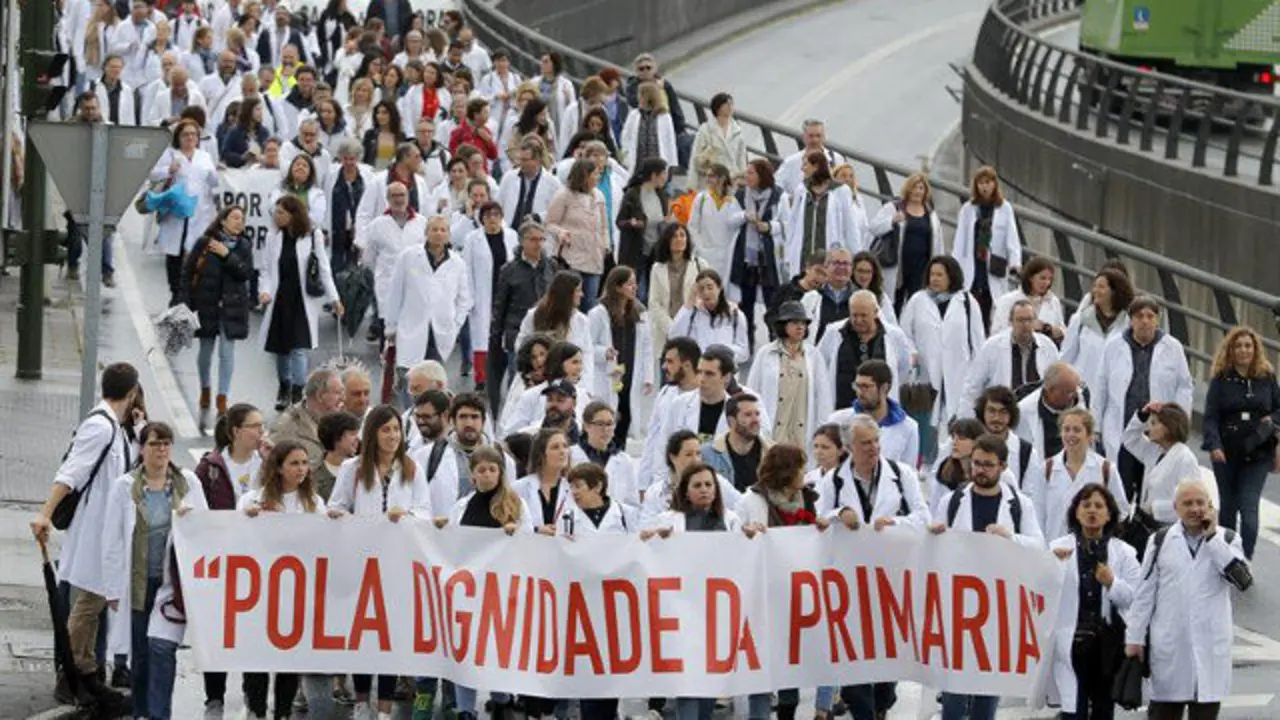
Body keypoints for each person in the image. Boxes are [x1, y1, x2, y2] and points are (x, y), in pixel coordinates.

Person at [30, 363, 138, 704]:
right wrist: (45, 513)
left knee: (95, 601)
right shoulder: (100, 426)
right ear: (132, 392)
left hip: (105, 529)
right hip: (94, 530)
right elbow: (71, 472)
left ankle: (86, 672)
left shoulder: (114, 427)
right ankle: (71, 676)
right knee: (89, 602)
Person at [931, 434, 1043, 719]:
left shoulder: (1019, 505)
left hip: (997, 610)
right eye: (976, 464)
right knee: (954, 692)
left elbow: (1038, 547)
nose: (980, 470)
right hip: (958, 607)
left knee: (987, 689)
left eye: (988, 465)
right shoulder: (952, 501)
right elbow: (932, 548)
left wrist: (1010, 537)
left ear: (1002, 467)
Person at [98, 420, 203, 720]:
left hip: (173, 585)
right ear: (142, 448)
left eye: (167, 443)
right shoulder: (125, 487)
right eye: (155, 443)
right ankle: (141, 713)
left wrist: (188, 518)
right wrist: (111, 589)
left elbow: (205, 529)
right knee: (141, 654)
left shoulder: (188, 483)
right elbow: (112, 539)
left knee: (162, 650)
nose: (162, 449)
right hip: (139, 582)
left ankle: (159, 715)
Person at [1125, 476, 1252, 720]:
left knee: (1204, 709)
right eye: (1187, 503)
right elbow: (1144, 594)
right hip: (1171, 647)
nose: (1195, 509)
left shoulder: (1227, 540)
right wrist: (1135, 639)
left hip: (1209, 647)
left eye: (1200, 503)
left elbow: (1242, 581)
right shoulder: (1159, 541)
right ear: (1176, 508)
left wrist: (1213, 539)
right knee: (1163, 712)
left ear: (1210, 506)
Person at [237, 441, 328, 718]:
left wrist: (334, 524)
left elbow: (324, 543)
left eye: (304, 463)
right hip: (260, 591)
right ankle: (256, 710)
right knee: (257, 655)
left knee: (289, 657)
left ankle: (283, 712)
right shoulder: (252, 499)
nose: (301, 469)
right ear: (278, 467)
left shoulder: (313, 502)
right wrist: (246, 519)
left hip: (296, 592)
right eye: (294, 463)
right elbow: (234, 540)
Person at [1043, 484, 1141, 720]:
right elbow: (1041, 592)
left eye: (1099, 506)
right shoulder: (1058, 548)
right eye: (1086, 505)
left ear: (1109, 514)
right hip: (1070, 642)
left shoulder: (1125, 552)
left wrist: (1112, 583)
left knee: (1103, 711)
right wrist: (1051, 566)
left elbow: (1135, 599)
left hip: (1105, 645)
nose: (1092, 511)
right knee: (1072, 711)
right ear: (1076, 512)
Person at [1097, 296, 1194, 502]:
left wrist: (1180, 423)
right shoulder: (1114, 346)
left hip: (1158, 433)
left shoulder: (1172, 347)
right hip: (1122, 428)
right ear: (1130, 320)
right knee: (1120, 491)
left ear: (1157, 320)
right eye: (1139, 316)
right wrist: (1096, 426)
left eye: (1150, 316)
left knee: (1151, 487)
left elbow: (1184, 386)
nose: (1145, 321)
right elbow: (1102, 387)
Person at [1203, 325, 1280, 559]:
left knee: (1248, 507)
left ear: (1255, 349)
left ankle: (1245, 557)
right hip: (1226, 452)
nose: (1243, 350)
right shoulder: (1221, 380)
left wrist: (1271, 420)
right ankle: (1227, 557)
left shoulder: (1266, 377)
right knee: (1227, 508)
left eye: (1248, 345)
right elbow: (1210, 417)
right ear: (1230, 350)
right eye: (1238, 346)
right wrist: (1214, 445)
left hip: (1258, 452)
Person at [259, 195, 342, 411]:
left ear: (293, 215)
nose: (276, 217)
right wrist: (264, 292)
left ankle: (298, 392)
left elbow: (324, 269)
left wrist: (335, 299)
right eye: (275, 213)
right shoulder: (272, 237)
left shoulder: (312, 236)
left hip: (302, 301)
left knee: (299, 348)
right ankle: (284, 386)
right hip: (279, 300)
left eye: (281, 213)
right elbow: (266, 270)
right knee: (281, 349)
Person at [181, 205, 254, 432]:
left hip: (231, 307)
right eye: (234, 218)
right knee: (205, 351)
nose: (238, 222)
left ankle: (222, 397)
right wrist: (183, 301)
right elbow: (188, 271)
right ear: (222, 221)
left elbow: (245, 272)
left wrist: (227, 255)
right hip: (207, 305)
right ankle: (205, 388)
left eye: (241, 219)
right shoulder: (205, 243)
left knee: (227, 353)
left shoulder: (243, 246)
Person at [899, 256, 985, 433]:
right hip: (926, 375)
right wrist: (912, 352)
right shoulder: (917, 300)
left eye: (940, 275)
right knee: (928, 427)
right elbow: (904, 334)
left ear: (951, 276)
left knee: (956, 425)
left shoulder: (967, 302)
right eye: (932, 274)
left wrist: (977, 376)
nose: (935, 279)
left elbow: (978, 342)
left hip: (959, 373)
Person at [1023, 408, 1130, 541]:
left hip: (1094, 547)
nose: (1070, 435)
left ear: (1090, 436)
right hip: (1054, 549)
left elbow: (1121, 510)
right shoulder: (1046, 469)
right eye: (1066, 429)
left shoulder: (1106, 469)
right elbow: (1037, 513)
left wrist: (1099, 529)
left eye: (1077, 430)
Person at [385, 214, 475, 371]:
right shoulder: (408, 256)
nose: (438, 233)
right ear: (426, 232)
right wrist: (391, 325)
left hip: (441, 330)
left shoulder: (457, 263)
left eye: (443, 230)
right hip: (411, 327)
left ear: (448, 235)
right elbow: (395, 293)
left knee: (433, 382)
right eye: (434, 229)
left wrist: (456, 324)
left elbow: (464, 299)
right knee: (408, 379)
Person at [150, 118, 220, 306]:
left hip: (199, 215)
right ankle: (175, 292)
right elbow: (153, 173)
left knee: (196, 255)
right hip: (175, 215)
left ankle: (189, 294)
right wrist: (168, 170)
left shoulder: (204, 156)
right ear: (178, 137)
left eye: (193, 134)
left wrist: (216, 174)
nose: (190, 138)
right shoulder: (171, 154)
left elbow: (214, 182)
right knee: (175, 255)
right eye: (185, 134)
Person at [747, 301, 833, 450]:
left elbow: (823, 396)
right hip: (773, 430)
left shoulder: (813, 355)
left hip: (802, 431)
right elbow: (752, 391)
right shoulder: (765, 353)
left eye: (803, 323)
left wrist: (823, 429)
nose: (800, 327)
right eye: (794, 322)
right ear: (783, 325)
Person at [491, 221, 558, 410]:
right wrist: (497, 335)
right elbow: (500, 305)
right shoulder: (509, 270)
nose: (538, 244)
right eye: (533, 239)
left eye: (541, 239)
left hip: (546, 334)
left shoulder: (551, 266)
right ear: (522, 242)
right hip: (517, 333)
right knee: (519, 381)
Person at [587, 266, 654, 441]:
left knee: (625, 417)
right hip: (606, 376)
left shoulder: (640, 314)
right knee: (606, 419)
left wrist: (648, 377)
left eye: (635, 284)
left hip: (631, 376)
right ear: (617, 287)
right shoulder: (598, 313)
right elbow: (586, 347)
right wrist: (604, 353)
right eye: (629, 284)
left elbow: (647, 348)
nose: (635, 287)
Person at [817, 290, 913, 407]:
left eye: (863, 315)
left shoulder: (895, 336)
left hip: (880, 412)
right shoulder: (833, 332)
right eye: (854, 315)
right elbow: (819, 366)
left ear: (876, 312)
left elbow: (904, 369)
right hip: (841, 409)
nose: (858, 320)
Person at [357, 181, 427, 342]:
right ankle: (387, 363)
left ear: (408, 197)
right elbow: (369, 258)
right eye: (394, 195)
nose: (398, 199)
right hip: (387, 283)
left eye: (402, 195)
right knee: (388, 331)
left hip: (415, 283)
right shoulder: (377, 225)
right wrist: (384, 272)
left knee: (411, 332)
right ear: (387, 199)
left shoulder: (422, 223)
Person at [960, 299, 1061, 410]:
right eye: (1020, 320)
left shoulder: (1048, 347)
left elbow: (1057, 382)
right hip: (1002, 411)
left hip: (1036, 411)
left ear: (1035, 321)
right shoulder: (991, 346)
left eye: (1029, 320)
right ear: (1011, 321)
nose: (1025, 325)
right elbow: (973, 387)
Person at [952, 166, 1021, 327]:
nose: (984, 187)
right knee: (973, 303)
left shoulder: (1004, 208)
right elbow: (960, 240)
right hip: (973, 263)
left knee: (994, 305)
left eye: (988, 182)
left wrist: (1015, 263)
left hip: (994, 264)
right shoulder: (968, 209)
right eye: (981, 183)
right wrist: (954, 267)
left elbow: (1012, 238)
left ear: (994, 185)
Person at [731, 158, 787, 349]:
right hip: (747, 257)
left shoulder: (778, 196)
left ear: (762, 175)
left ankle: (775, 338)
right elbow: (730, 220)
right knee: (745, 301)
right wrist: (744, 216)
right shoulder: (740, 195)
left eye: (751, 173)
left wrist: (769, 227)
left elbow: (786, 224)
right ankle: (746, 340)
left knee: (772, 300)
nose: (747, 177)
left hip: (768, 258)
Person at [463, 201, 519, 390]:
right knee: (481, 338)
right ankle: (481, 378)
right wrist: (468, 296)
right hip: (481, 294)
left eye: (496, 215)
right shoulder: (472, 239)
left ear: (501, 217)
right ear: (482, 219)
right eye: (488, 215)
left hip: (505, 295)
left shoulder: (511, 236)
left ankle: (501, 375)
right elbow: (467, 268)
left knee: (503, 336)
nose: (492, 219)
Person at [869, 173, 944, 312]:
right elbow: (873, 227)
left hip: (921, 268)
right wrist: (892, 221)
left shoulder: (931, 214)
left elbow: (938, 242)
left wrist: (939, 267)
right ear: (908, 189)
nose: (917, 191)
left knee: (916, 305)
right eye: (914, 187)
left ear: (925, 191)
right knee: (893, 304)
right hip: (898, 267)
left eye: (921, 188)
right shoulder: (894, 207)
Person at [782, 151, 863, 278]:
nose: (802, 169)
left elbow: (850, 226)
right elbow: (792, 224)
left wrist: (856, 255)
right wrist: (788, 253)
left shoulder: (840, 191)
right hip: (804, 254)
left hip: (829, 253)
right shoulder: (802, 190)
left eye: (806, 165)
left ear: (816, 166)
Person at [640, 430, 744, 528]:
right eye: (688, 455)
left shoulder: (715, 481)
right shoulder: (656, 492)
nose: (695, 460)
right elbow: (645, 528)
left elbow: (742, 506)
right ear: (673, 457)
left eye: (698, 454)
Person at [545, 159, 610, 308]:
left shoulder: (599, 196)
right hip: (571, 259)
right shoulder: (564, 195)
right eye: (595, 174)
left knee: (590, 304)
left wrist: (605, 245)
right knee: (570, 304)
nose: (598, 177)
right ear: (585, 175)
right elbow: (549, 223)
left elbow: (604, 226)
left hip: (594, 259)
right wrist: (561, 232)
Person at [637, 338, 703, 484]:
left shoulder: (705, 398)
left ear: (686, 365)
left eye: (670, 362)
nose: (664, 366)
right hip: (661, 480)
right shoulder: (666, 393)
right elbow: (652, 438)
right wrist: (643, 482)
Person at [831, 360, 919, 468]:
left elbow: (909, 471)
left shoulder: (908, 427)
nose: (859, 392)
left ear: (884, 388)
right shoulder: (838, 421)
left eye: (866, 386)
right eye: (857, 386)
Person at [515, 270, 595, 389]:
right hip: (535, 383)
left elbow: (587, 355)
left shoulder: (581, 321)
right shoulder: (534, 315)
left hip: (571, 385)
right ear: (566, 293)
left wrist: (586, 386)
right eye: (578, 290)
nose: (582, 294)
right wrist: (531, 369)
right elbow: (521, 346)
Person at [1062, 267, 1133, 398]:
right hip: (1081, 393)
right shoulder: (1080, 321)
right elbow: (1066, 358)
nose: (1095, 291)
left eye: (1101, 287)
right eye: (1094, 286)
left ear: (1115, 291)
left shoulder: (1129, 325)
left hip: (1114, 395)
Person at [669, 269, 749, 364]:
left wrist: (720, 352)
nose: (706, 292)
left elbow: (744, 353)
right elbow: (673, 336)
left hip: (725, 373)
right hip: (698, 373)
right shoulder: (692, 314)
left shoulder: (735, 315)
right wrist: (689, 303)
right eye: (701, 289)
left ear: (719, 288)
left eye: (710, 287)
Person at [569, 402, 641, 508]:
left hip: (614, 520)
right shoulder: (571, 455)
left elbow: (632, 502)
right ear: (586, 426)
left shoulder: (624, 460)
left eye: (609, 424)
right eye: (600, 424)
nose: (605, 429)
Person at [271, 368, 346, 469]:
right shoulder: (287, 430)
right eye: (338, 393)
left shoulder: (338, 420)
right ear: (320, 396)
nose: (343, 398)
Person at [1016, 361, 1090, 461]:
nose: (1073, 397)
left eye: (1074, 391)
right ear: (1049, 390)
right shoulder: (1023, 409)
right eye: (1067, 392)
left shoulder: (1082, 396)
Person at [616, 157, 669, 297]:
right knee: (638, 291)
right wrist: (631, 223)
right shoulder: (633, 194)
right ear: (653, 175)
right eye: (663, 173)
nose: (665, 177)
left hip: (655, 251)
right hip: (636, 251)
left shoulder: (661, 195)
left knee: (653, 291)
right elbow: (620, 221)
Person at [701, 394, 773, 493]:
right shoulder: (707, 454)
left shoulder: (773, 453)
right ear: (732, 421)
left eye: (757, 414)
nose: (755, 420)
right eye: (748, 415)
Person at [407, 390, 464, 513]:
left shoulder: (459, 451)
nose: (421, 422)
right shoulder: (411, 448)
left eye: (427, 417)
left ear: (444, 415)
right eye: (417, 416)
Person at [991, 256, 1065, 342]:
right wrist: (1025, 328)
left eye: (1050, 279)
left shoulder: (1053, 301)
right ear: (1030, 278)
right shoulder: (1008, 301)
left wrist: (1049, 329)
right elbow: (997, 332)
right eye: (1042, 278)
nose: (1047, 283)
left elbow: (1062, 329)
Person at [497, 136, 563, 230]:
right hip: (510, 231)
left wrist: (537, 217)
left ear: (537, 160)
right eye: (520, 159)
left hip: (537, 233)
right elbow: (499, 204)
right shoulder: (509, 177)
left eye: (525, 160)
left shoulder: (553, 183)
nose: (521, 163)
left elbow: (556, 212)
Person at [774, 118, 846, 193]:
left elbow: (846, 186)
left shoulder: (837, 159)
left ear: (824, 137)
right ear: (803, 137)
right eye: (811, 136)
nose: (815, 140)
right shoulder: (791, 162)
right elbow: (776, 186)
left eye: (818, 136)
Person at [620, 80, 678, 171]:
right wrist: (625, 155)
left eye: (640, 94)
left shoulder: (664, 116)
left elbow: (670, 141)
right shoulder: (634, 115)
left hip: (658, 160)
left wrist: (672, 163)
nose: (638, 97)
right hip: (638, 162)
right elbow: (626, 136)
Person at [690, 91, 746, 178]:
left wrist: (743, 176)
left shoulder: (737, 131)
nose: (730, 107)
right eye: (727, 104)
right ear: (718, 107)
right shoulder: (706, 130)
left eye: (731, 104)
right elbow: (696, 155)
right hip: (711, 178)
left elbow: (741, 156)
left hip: (732, 178)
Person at [314, 410, 362, 501]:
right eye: (352, 434)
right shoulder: (312, 474)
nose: (357, 439)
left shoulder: (362, 469)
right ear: (337, 437)